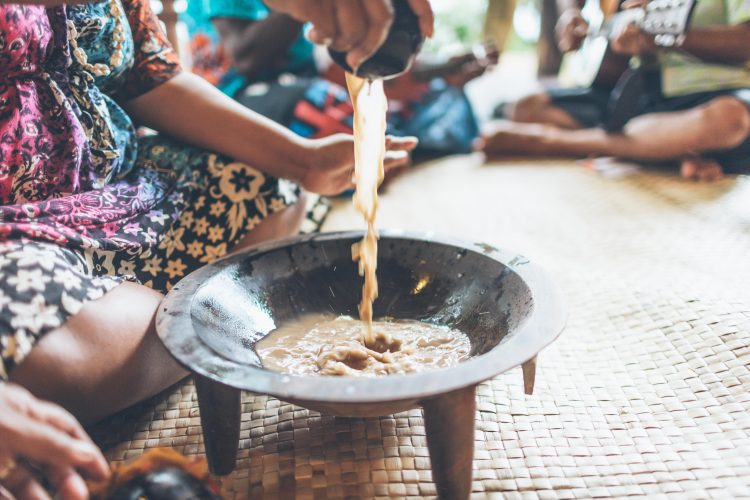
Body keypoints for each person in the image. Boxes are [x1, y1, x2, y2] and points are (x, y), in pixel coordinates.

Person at [0, 1, 431, 497]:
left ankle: (160, 320)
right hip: (19, 237)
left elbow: (148, 76)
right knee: (47, 356)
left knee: (271, 182)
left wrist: (301, 158)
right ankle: (202, 315)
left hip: (126, 195)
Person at [478, 0, 750, 181]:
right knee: (527, 107)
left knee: (732, 119)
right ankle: (663, 152)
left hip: (711, 93)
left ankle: (550, 141)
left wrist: (662, 39)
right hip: (637, 91)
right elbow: (594, 16)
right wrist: (574, 16)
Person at [184, 0, 492, 159]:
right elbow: (247, 58)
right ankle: (398, 152)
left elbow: (345, 62)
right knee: (325, 104)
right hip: (241, 98)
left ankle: (391, 153)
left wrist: (441, 68)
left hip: (310, 83)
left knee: (442, 94)